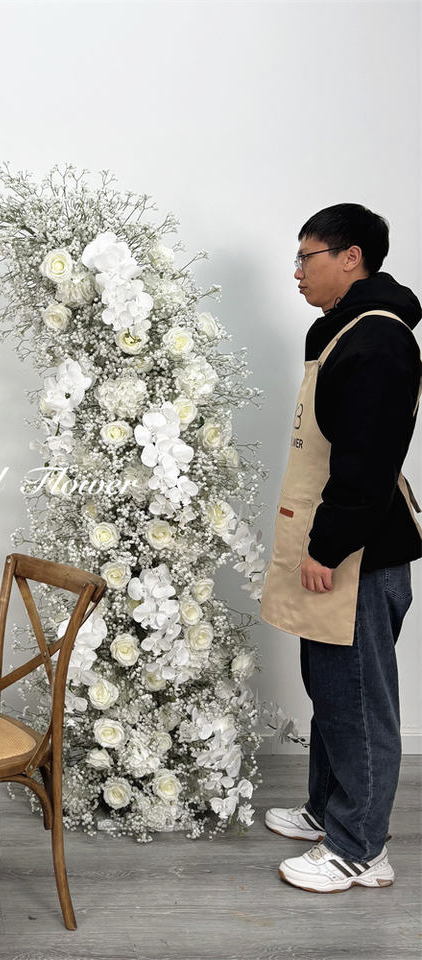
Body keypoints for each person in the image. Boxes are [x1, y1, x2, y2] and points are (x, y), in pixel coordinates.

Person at [259, 202, 422, 893]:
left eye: (307, 257)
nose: (297, 272)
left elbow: (367, 461)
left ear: (351, 257)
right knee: (331, 686)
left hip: (356, 553)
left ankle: (360, 848)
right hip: (339, 543)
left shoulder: (377, 338)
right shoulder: (345, 329)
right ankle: (328, 810)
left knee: (357, 699)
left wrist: (326, 547)